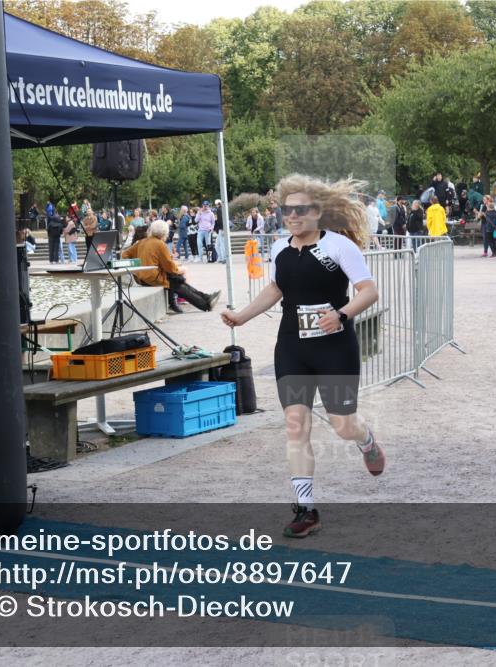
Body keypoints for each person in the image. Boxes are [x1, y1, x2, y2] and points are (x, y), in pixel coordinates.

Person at [220, 174, 383, 539]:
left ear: (318, 211)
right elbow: (277, 287)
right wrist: (242, 316)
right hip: (292, 348)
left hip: (335, 347)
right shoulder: (279, 248)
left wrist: (341, 314)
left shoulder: (339, 247)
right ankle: (306, 509)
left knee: (343, 425)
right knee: (296, 426)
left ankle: (366, 440)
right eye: (287, 209)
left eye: (301, 209)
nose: (292, 216)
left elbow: (368, 291)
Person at [122, 220, 220, 314]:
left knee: (178, 280)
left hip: (142, 278)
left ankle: (206, 298)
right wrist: (178, 271)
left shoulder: (142, 242)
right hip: (152, 278)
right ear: (164, 232)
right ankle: (205, 304)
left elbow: (124, 255)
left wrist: (137, 269)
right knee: (177, 282)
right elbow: (169, 266)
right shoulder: (159, 244)